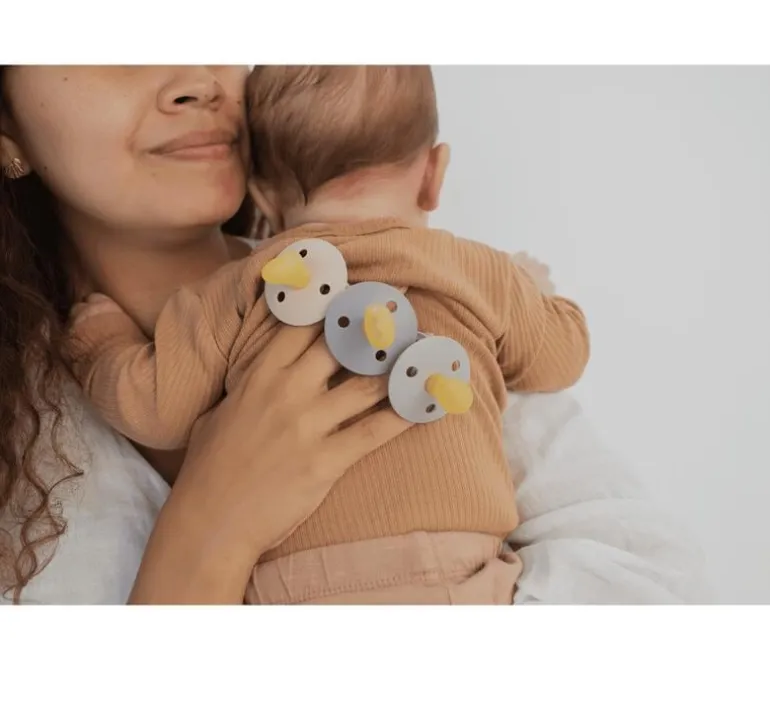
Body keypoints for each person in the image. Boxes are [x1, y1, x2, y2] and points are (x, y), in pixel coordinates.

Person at [0, 65, 708, 605]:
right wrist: (207, 532)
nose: (196, 79)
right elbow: (561, 349)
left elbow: (661, 602)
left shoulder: (440, 310)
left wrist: (100, 343)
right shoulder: (466, 284)